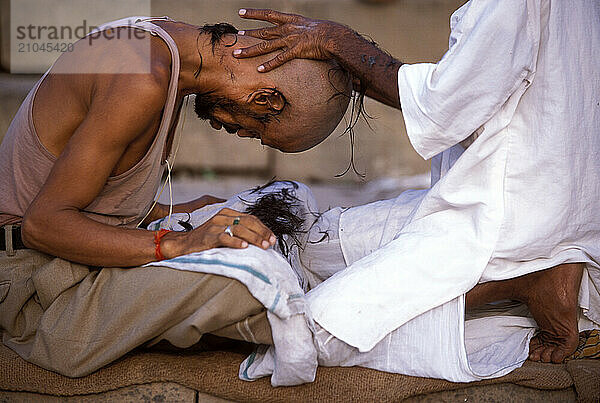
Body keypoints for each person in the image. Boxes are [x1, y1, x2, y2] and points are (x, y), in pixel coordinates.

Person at [233, 0, 600, 364]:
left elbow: (444, 107)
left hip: (500, 224)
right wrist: (341, 64)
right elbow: (479, 91)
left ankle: (525, 281)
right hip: (509, 202)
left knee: (307, 336)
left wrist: (335, 40)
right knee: (307, 245)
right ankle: (527, 278)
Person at [0, 16, 351, 376]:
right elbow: (41, 226)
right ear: (266, 99)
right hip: (38, 290)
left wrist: (179, 211)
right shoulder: (140, 79)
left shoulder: (171, 51)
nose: (237, 132)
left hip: (70, 263)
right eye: (256, 134)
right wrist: (179, 243)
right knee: (252, 286)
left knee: (282, 205)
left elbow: (94, 195)